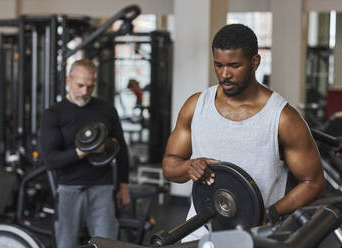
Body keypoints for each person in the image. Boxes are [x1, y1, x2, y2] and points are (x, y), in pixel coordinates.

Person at [162, 24, 325, 242]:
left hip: (255, 239)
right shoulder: (195, 106)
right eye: (218, 65)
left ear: (255, 62)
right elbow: (169, 167)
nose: (224, 74)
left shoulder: (283, 119)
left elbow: (313, 182)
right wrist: (189, 166)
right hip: (200, 236)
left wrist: (271, 213)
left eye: (234, 66)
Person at [40, 58, 130, 248]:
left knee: (108, 245)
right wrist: (84, 151)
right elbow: (50, 161)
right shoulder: (53, 114)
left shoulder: (106, 109)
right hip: (69, 189)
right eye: (80, 85)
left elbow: (121, 149)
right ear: (68, 81)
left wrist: (124, 186)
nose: (85, 92)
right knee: (66, 245)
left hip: (102, 188)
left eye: (90, 86)